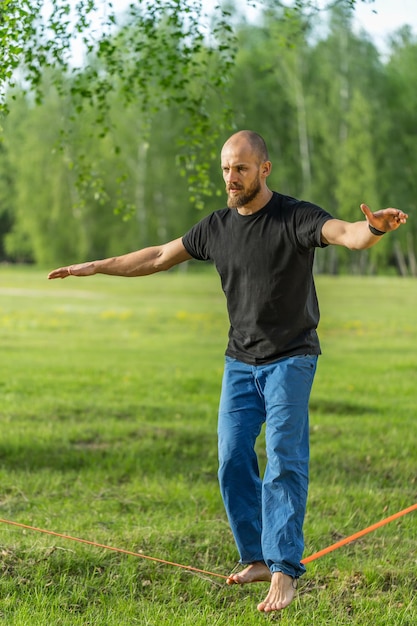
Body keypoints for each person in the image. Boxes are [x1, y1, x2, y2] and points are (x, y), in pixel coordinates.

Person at [48, 130, 408, 613]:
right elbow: (157, 256)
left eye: (240, 168)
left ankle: (283, 569)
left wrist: (377, 228)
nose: (231, 178)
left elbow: (347, 234)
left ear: (264, 168)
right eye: (225, 169)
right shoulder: (215, 227)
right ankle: (257, 556)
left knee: (283, 457)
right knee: (232, 458)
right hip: (240, 361)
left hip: (291, 357)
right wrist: (96, 266)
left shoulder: (295, 216)